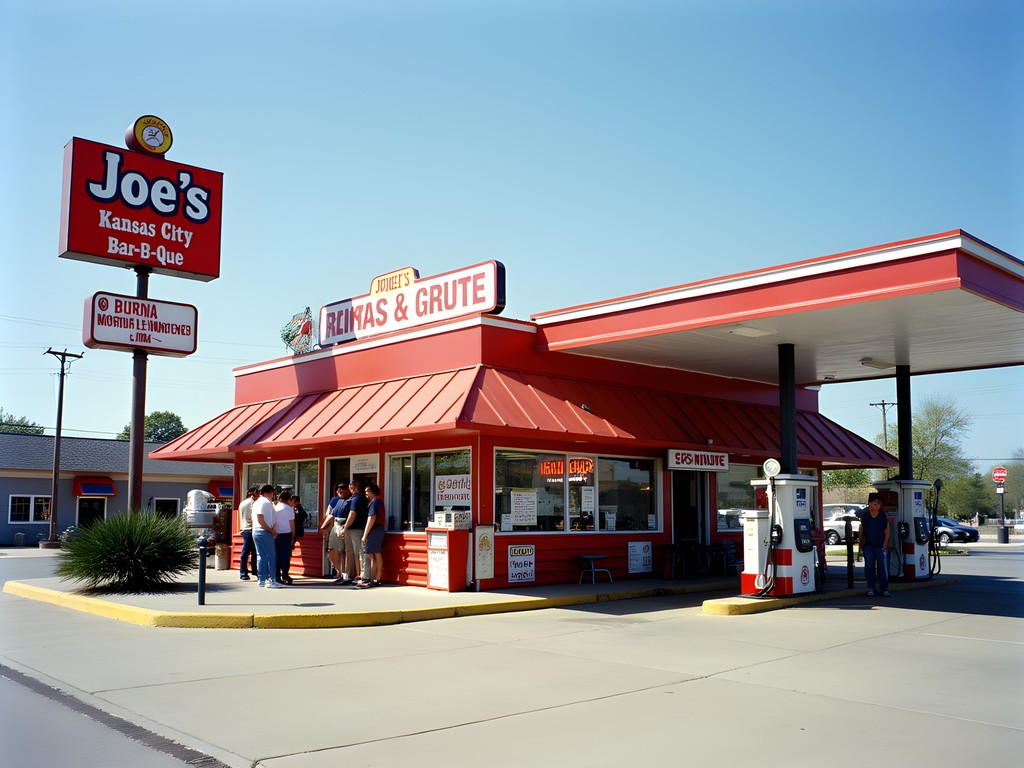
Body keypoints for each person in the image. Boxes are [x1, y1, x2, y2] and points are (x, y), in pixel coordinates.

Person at [858, 492, 891, 597]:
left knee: (882, 568)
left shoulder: (882, 516)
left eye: (877, 504)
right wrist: (860, 547)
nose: (875, 506)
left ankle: (884, 588)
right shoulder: (865, 516)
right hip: (868, 546)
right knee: (869, 568)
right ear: (869, 504)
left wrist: (885, 545)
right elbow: (862, 532)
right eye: (873, 503)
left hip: (880, 546)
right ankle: (871, 588)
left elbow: (887, 531)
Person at [318, 484, 352, 583]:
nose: (340, 492)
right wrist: (324, 526)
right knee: (332, 549)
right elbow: (330, 514)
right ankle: (338, 571)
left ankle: (345, 573)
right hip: (335, 526)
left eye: (342, 490)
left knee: (343, 551)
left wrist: (344, 529)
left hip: (344, 527)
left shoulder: (350, 501)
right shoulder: (335, 500)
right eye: (339, 490)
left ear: (348, 491)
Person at [252, 484, 281, 589]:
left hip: (256, 530)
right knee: (270, 556)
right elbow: (260, 517)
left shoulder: (257, 502)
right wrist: (270, 529)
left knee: (261, 555)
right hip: (264, 531)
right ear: (270, 493)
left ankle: (262, 579)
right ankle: (271, 579)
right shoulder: (266, 502)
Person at [357, 483, 386, 588]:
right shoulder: (380, 502)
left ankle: (373, 579)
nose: (366, 495)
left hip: (374, 529)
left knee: (373, 555)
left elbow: (371, 518)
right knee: (376, 553)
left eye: (367, 492)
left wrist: (365, 535)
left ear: (372, 492)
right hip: (379, 529)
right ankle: (377, 577)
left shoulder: (374, 502)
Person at [342, 479, 370, 586]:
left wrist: (345, 527)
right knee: (350, 552)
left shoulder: (357, 498)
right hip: (352, 529)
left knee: (359, 552)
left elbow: (352, 513)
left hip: (356, 529)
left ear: (355, 487)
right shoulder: (354, 497)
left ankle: (362, 576)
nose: (350, 488)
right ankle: (350, 575)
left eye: (352, 486)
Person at [273, 489, 296, 585]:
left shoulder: (275, 507)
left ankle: (276, 576)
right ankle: (285, 575)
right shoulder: (289, 509)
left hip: (276, 534)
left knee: (276, 556)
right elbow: (292, 524)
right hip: (286, 534)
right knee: (285, 556)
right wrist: (293, 536)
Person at [237, 485, 259, 580]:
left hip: (244, 528)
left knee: (248, 551)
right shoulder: (253, 503)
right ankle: (247, 571)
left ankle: (245, 570)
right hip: (251, 528)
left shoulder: (243, 503)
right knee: (251, 551)